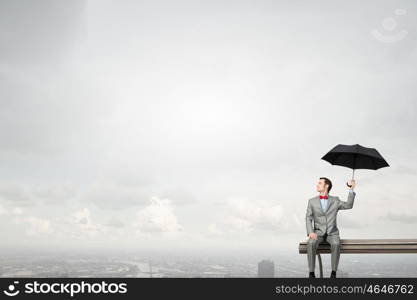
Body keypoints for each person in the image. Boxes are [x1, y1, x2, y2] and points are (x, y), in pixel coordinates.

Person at [305, 177, 356, 278]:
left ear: (326, 185)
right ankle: (311, 273)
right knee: (311, 243)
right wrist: (310, 232)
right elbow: (308, 218)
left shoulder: (335, 200)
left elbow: (349, 205)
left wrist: (351, 189)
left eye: (320, 183)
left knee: (336, 244)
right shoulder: (312, 201)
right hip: (318, 233)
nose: (317, 185)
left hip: (332, 233)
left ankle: (333, 272)